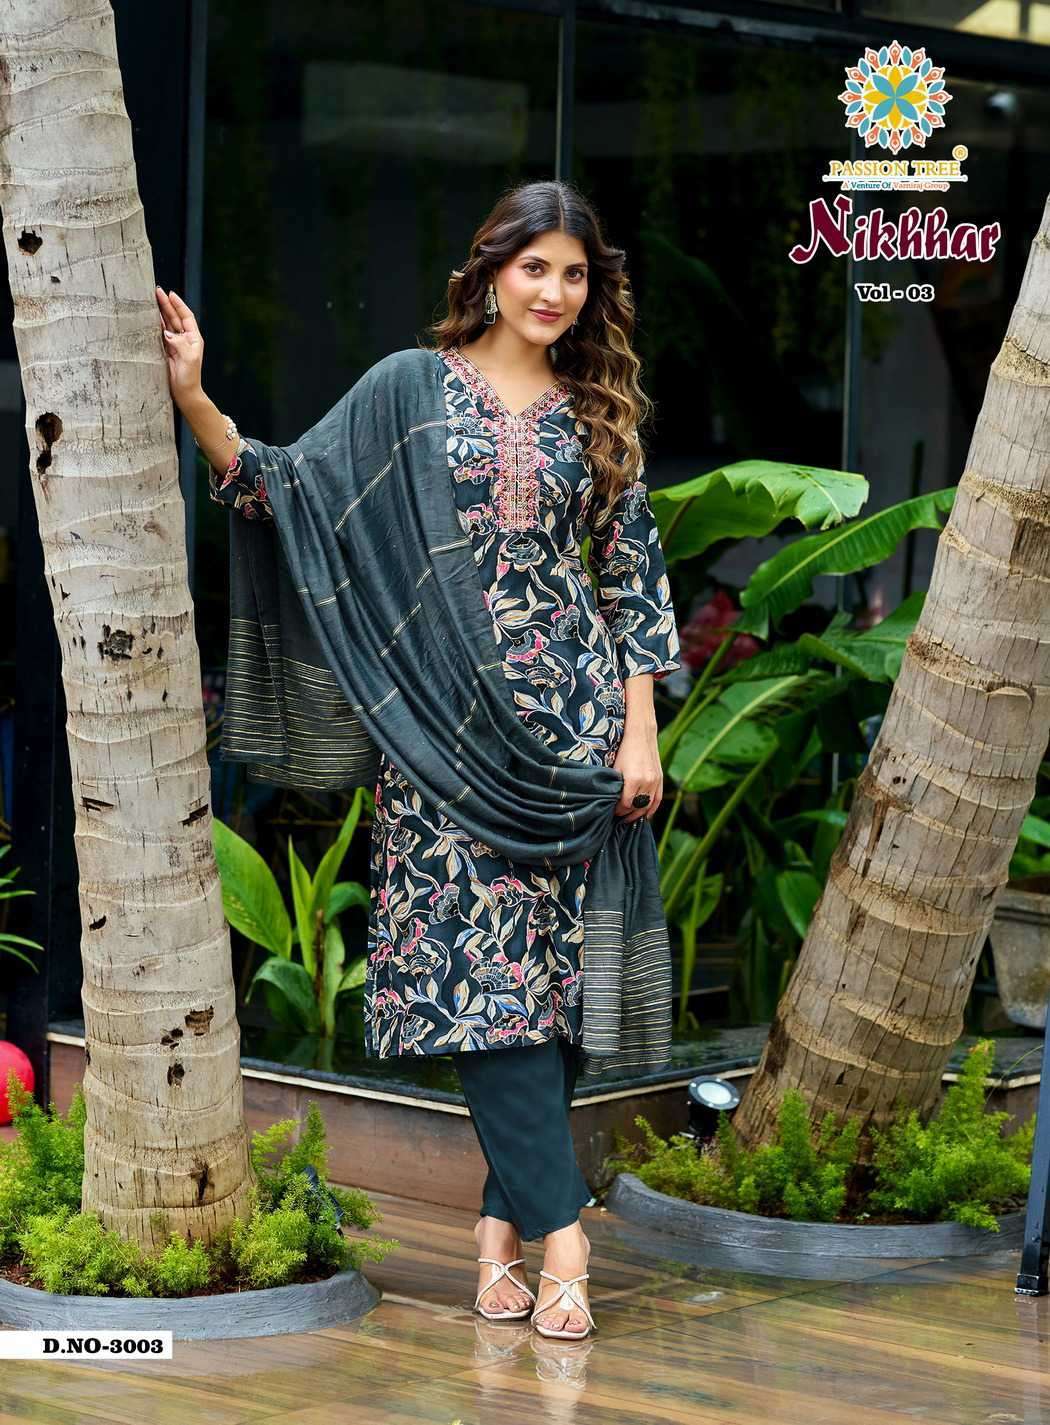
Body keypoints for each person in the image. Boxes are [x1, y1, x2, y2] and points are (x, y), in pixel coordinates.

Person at [155, 178, 681, 1341]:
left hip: (576, 735)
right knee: (487, 990)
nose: (553, 291)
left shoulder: (595, 416)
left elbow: (631, 579)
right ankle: (567, 1239)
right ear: (491, 270)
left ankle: (500, 1233)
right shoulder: (408, 390)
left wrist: (638, 731)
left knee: (549, 996)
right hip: (441, 739)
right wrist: (194, 399)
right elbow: (285, 490)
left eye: (574, 273)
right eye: (535, 266)